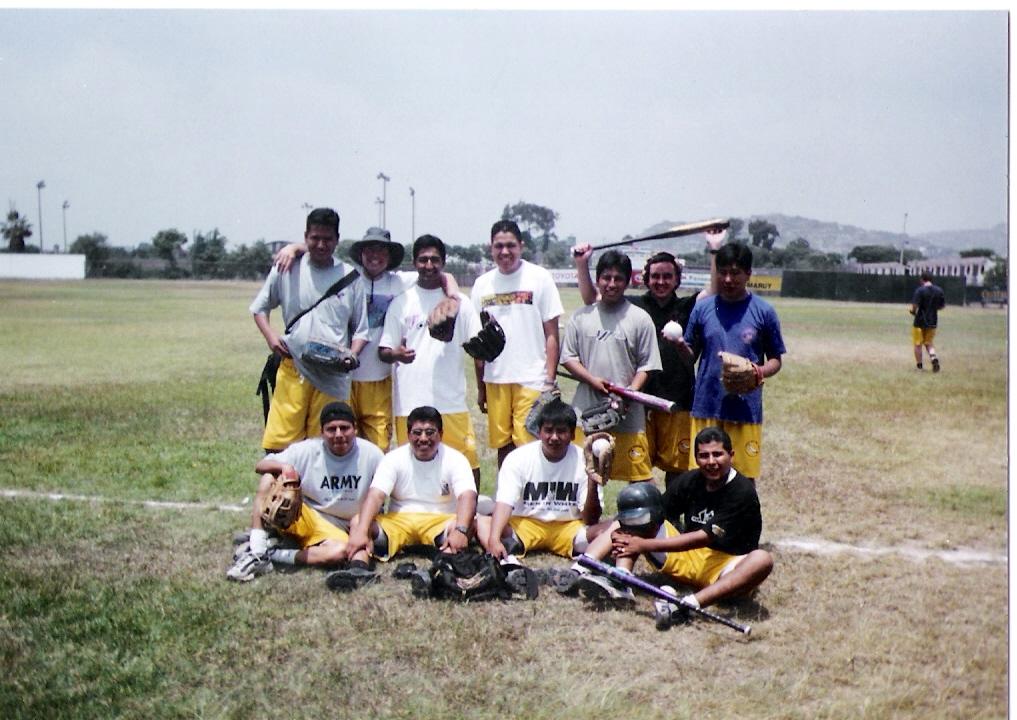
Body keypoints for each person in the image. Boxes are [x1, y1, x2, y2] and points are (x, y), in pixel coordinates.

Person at [274, 227, 461, 450]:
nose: (375, 256)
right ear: (361, 254)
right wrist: (295, 248)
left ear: (390, 256)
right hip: (342, 377)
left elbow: (444, 275)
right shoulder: (346, 277)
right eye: (370, 250)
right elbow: (322, 252)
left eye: (382, 251)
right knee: (340, 444)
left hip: (379, 378)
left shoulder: (400, 282)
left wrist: (452, 296)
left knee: (378, 447)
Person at [573, 229, 726, 484]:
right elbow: (592, 297)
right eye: (655, 276)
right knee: (639, 472)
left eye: (667, 276)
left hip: (677, 401)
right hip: (640, 403)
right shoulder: (633, 307)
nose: (661, 281)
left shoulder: (687, 306)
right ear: (646, 279)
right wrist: (582, 263)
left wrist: (714, 249)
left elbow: (713, 290)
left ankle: (671, 511)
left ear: (677, 280)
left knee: (677, 471)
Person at [575, 427, 773, 611]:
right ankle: (609, 576)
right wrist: (630, 537)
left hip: (726, 567)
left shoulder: (742, 491)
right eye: (704, 456)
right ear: (696, 458)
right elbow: (657, 513)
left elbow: (703, 538)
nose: (711, 462)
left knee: (762, 559)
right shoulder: (691, 480)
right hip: (687, 557)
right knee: (639, 513)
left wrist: (643, 545)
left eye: (717, 454)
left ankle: (688, 604)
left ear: (731, 455)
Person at [250, 207, 369, 453]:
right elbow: (259, 308)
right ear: (305, 237)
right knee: (280, 446)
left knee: (324, 446)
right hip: (293, 367)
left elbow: (361, 331)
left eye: (328, 239)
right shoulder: (287, 268)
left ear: (337, 239)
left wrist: (352, 355)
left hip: (332, 374)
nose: (321, 245)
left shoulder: (351, 277)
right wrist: (271, 338)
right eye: (315, 238)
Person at [227, 401, 384, 582]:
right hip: (309, 516)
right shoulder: (307, 450)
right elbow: (261, 465)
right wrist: (284, 467)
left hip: (351, 523)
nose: (339, 434)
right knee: (269, 478)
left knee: (339, 553)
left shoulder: (372, 454)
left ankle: (273, 554)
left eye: (344, 428)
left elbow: (385, 491)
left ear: (355, 429)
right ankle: (257, 547)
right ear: (321, 432)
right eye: (331, 429)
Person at [378, 234, 484, 487]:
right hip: (409, 402)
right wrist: (396, 354)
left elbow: (478, 349)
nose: (429, 265)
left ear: (443, 262)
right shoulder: (401, 302)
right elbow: (384, 350)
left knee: (467, 464)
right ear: (414, 262)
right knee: (411, 468)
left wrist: (483, 389)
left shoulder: (460, 303)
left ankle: (469, 511)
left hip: (451, 401)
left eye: (435, 260)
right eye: (423, 259)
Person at [681, 243, 786, 481]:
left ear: (748, 273)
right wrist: (679, 346)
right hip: (707, 405)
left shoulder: (764, 311)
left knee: (743, 480)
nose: (728, 279)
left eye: (735, 273)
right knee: (702, 477)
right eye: (723, 272)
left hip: (745, 408)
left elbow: (776, 360)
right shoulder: (702, 309)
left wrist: (758, 371)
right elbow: (690, 357)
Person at [340, 407, 479, 579]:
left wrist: (460, 530)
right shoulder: (393, 459)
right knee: (358, 522)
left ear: (441, 434)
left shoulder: (456, 459)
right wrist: (362, 530)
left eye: (430, 432)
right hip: (399, 522)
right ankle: (357, 569)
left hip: (441, 522)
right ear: (408, 434)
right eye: (417, 433)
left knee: (467, 524)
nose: (423, 438)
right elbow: (376, 495)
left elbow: (467, 496)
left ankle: (441, 573)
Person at [560, 250, 661, 483]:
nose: (612, 284)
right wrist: (592, 380)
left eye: (618, 278)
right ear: (597, 279)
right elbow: (569, 358)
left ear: (627, 281)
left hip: (628, 414)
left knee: (640, 481)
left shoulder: (640, 318)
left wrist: (630, 392)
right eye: (606, 277)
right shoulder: (581, 317)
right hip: (587, 413)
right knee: (585, 479)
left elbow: (647, 365)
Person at [470, 220, 565, 468]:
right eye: (498, 246)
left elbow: (552, 334)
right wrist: (481, 387)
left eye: (511, 245)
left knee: (529, 445)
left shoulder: (539, 277)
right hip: (496, 378)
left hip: (532, 377)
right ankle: (507, 491)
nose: (505, 252)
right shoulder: (482, 284)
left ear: (521, 246)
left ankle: (530, 493)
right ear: (490, 248)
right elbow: (478, 342)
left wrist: (549, 380)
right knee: (503, 445)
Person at [477, 397, 607, 568]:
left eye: (561, 431)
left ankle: (584, 567)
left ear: (573, 434)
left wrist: (593, 480)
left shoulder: (584, 460)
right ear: (539, 432)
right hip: (525, 525)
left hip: (569, 527)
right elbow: (504, 504)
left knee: (615, 528)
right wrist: (494, 539)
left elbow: (591, 519)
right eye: (548, 430)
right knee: (482, 522)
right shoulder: (518, 458)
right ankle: (507, 564)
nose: (554, 437)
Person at [909, 271, 946, 372]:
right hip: (933, 321)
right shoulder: (939, 291)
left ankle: (919, 367)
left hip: (919, 321)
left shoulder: (920, 291)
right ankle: (934, 358)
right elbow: (942, 306)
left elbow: (915, 305)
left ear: (922, 279)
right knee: (929, 343)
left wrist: (913, 311)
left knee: (918, 344)